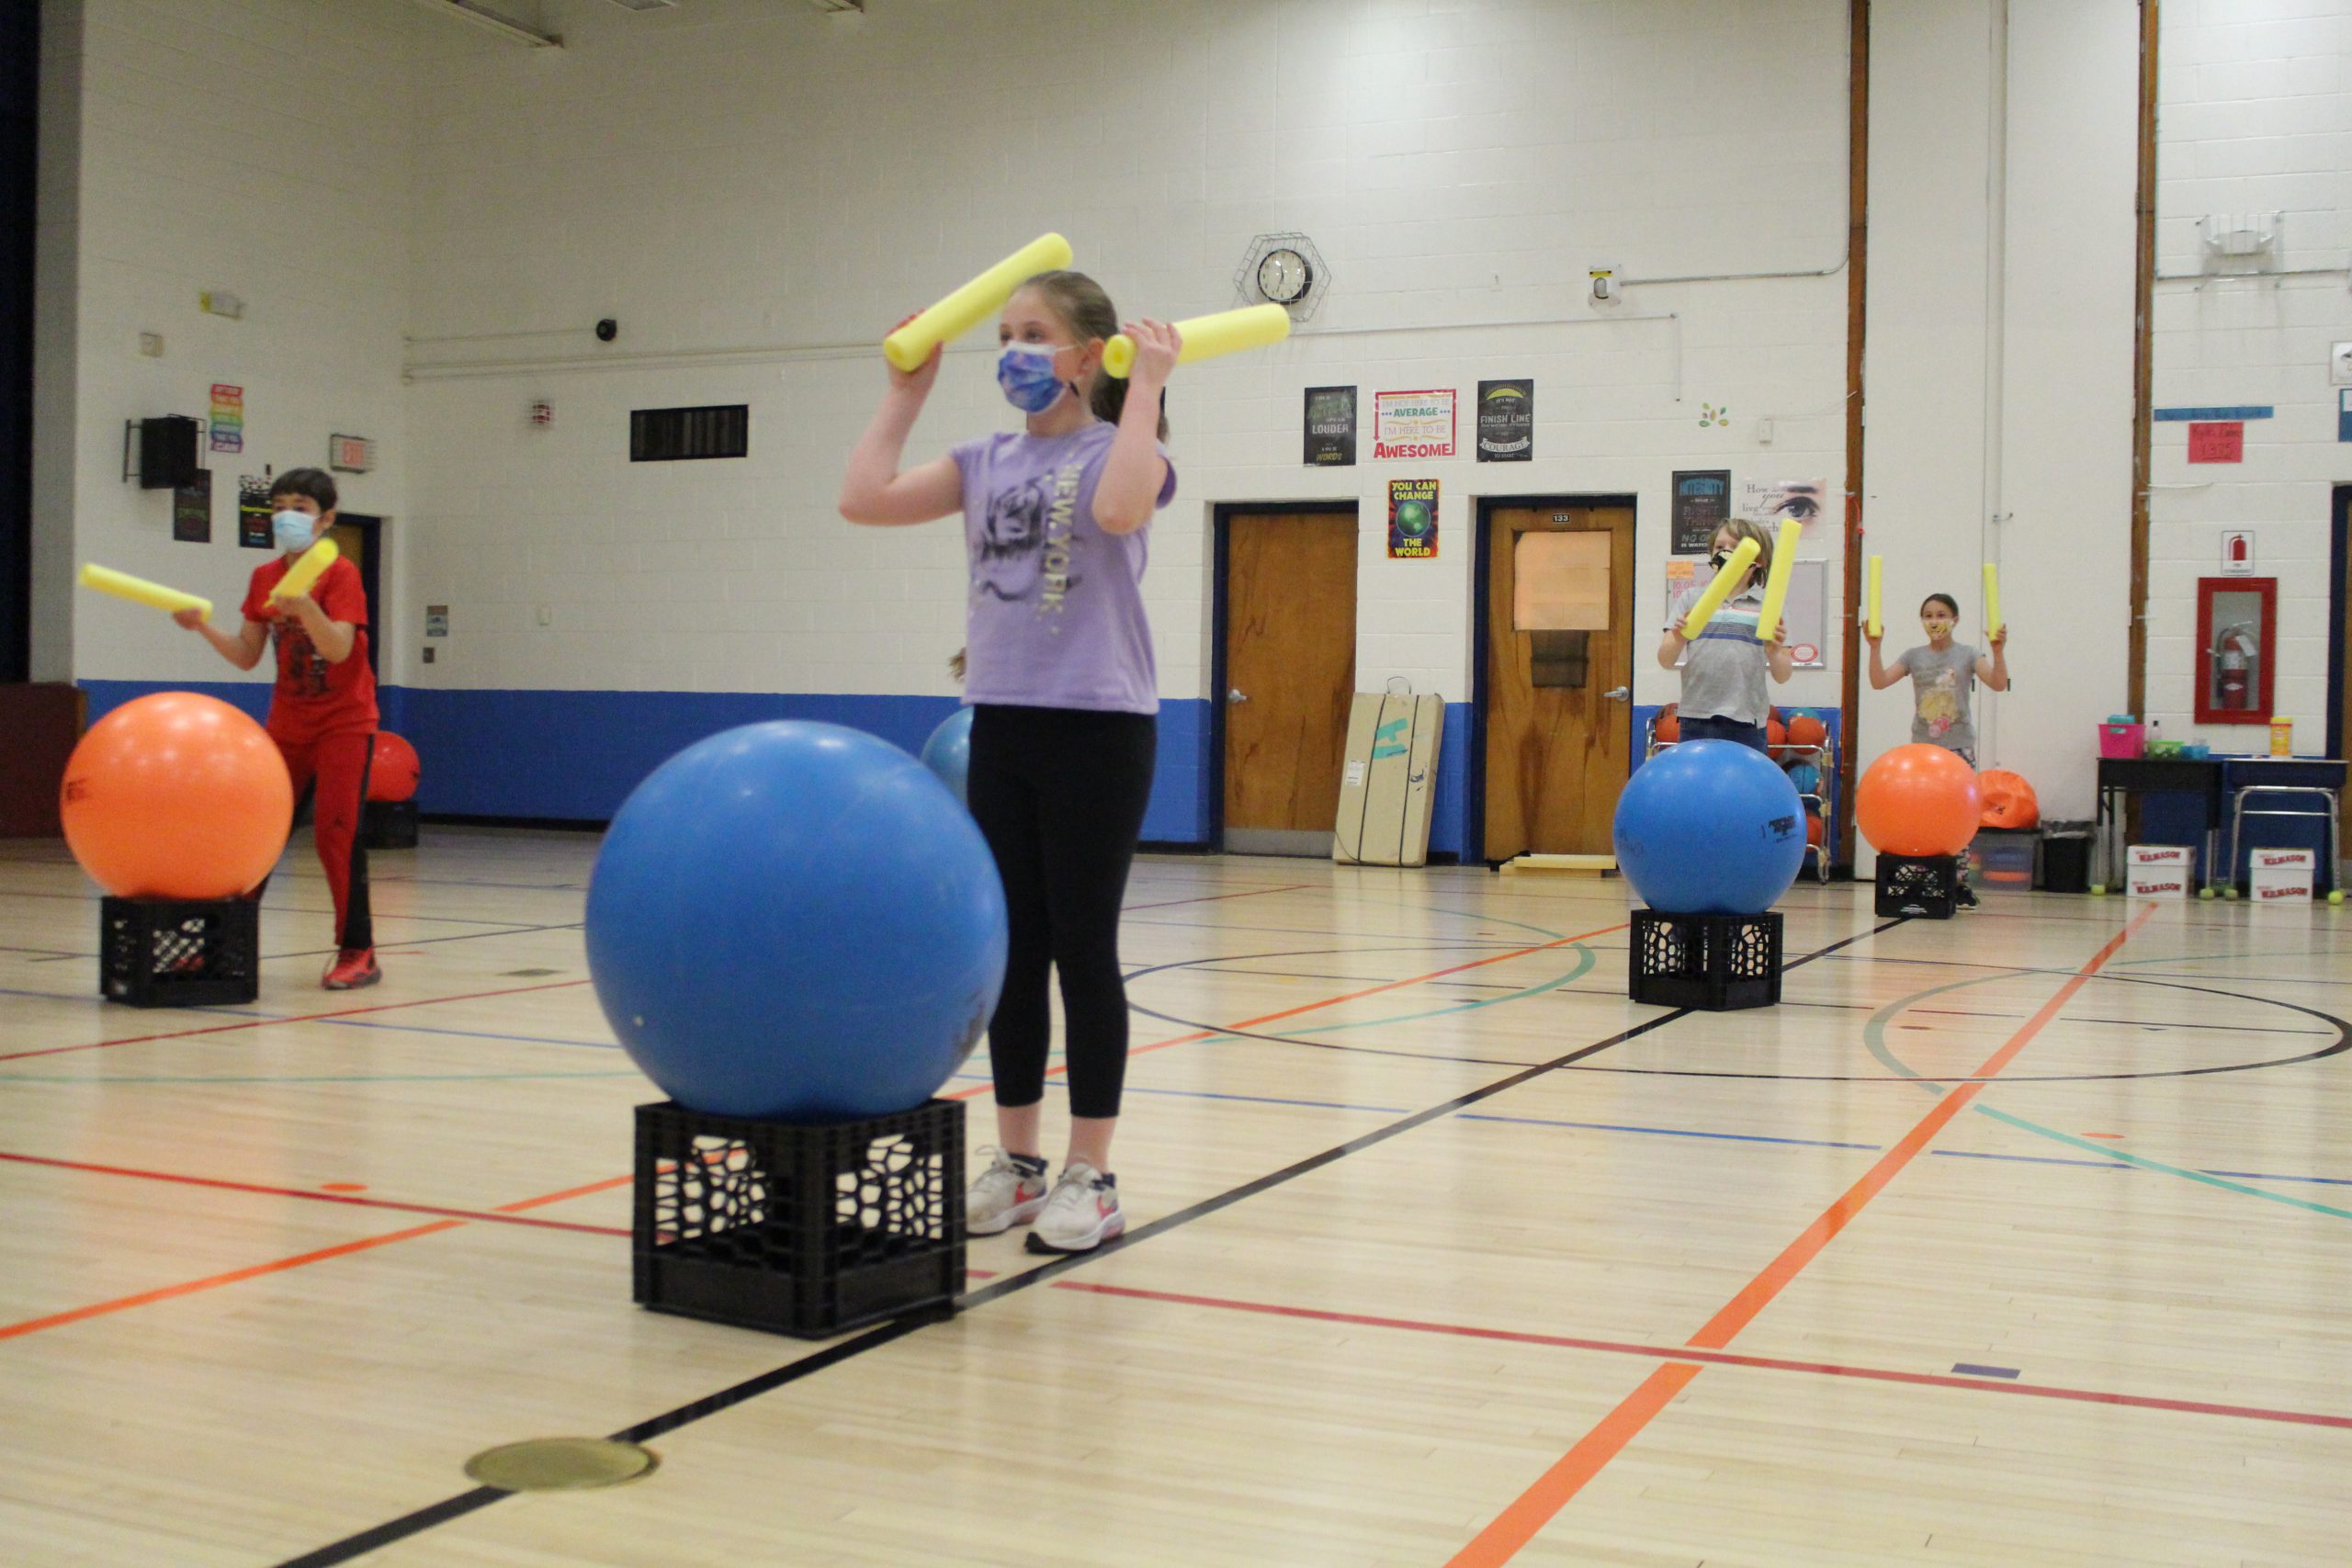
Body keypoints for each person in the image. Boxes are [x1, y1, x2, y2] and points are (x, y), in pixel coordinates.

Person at [839, 271, 1179, 1253]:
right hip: (1002, 725)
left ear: (1087, 355)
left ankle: (1093, 1175)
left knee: (1083, 950)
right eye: (1004, 336)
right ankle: (1020, 1164)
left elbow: (1117, 514)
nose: (1014, 353)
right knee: (1013, 957)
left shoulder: (1129, 452)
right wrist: (906, 390)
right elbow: (862, 500)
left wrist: (1144, 387)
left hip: (1099, 729)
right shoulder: (981, 459)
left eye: (1035, 335)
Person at [176, 468, 380, 987]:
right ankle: (221, 946)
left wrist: (305, 605)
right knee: (258, 836)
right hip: (287, 726)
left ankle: (358, 950)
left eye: (301, 507)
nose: (287, 515)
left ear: (326, 519)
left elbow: (338, 650)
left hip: (345, 724)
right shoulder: (264, 578)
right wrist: (202, 626)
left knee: (337, 834)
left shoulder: (341, 575)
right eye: (280, 505)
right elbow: (247, 655)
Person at [1867, 590, 2012, 908]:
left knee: (1959, 817)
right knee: (1921, 815)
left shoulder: (1969, 654)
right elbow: (1878, 681)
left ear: (1955, 619)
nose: (1935, 621)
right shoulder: (1913, 656)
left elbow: (1999, 683)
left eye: (1942, 615)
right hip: (1923, 751)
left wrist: (1998, 651)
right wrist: (1875, 648)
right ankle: (1922, 878)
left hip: (1958, 747)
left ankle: (1959, 881)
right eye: (1929, 615)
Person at [1657, 518, 1793, 750]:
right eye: (1720, 547)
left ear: (1758, 561)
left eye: (1736, 547)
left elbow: (1783, 675)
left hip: (1747, 720)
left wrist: (1774, 651)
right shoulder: (1692, 599)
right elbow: (1665, 660)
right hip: (1697, 715)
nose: (1726, 552)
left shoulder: (1768, 606)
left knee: (1743, 786)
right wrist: (1679, 636)